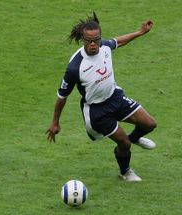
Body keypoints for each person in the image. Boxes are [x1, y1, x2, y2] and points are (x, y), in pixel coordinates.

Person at [46, 12, 157, 182]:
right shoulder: (75, 67)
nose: (93, 44)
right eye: (89, 41)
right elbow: (62, 96)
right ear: (83, 39)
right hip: (97, 111)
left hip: (115, 97)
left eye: (96, 40)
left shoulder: (104, 47)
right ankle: (125, 171)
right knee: (124, 144)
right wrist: (55, 122)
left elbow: (119, 41)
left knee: (149, 124)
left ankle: (133, 139)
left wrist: (140, 32)